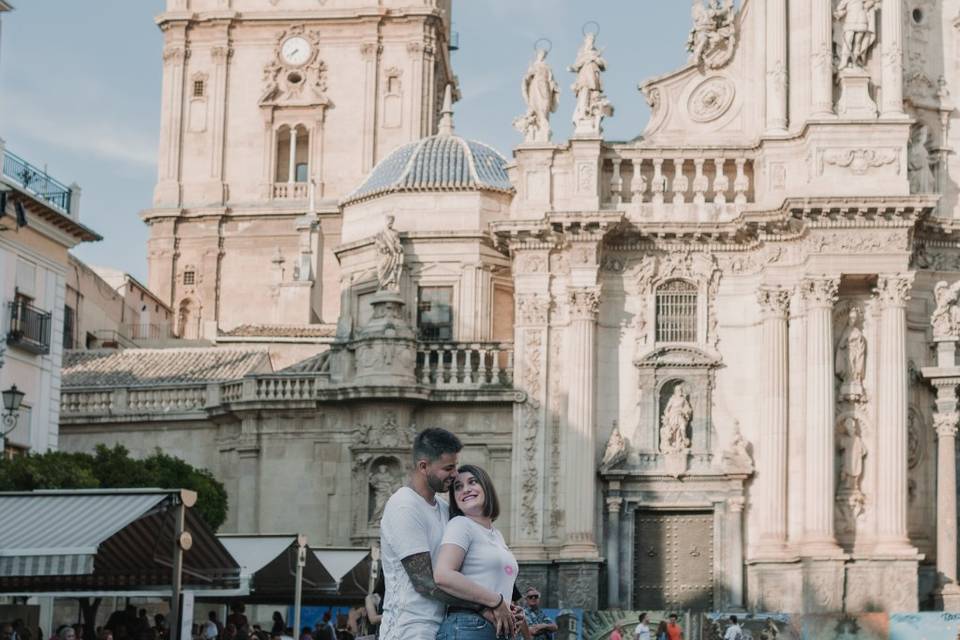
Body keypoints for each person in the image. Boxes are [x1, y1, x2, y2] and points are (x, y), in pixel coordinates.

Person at [379, 428, 512, 640]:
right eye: (448, 468)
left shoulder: (443, 507)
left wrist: (506, 608)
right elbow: (425, 583)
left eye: (456, 466)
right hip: (410, 629)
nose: (455, 474)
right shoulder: (404, 506)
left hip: (444, 627)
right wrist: (487, 604)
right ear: (424, 466)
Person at [434, 464, 519, 640]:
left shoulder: (497, 535)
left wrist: (511, 611)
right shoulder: (460, 524)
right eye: (458, 487)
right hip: (469, 625)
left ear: (486, 487)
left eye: (472, 482)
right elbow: (443, 575)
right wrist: (497, 601)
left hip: (495, 629)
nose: (465, 489)